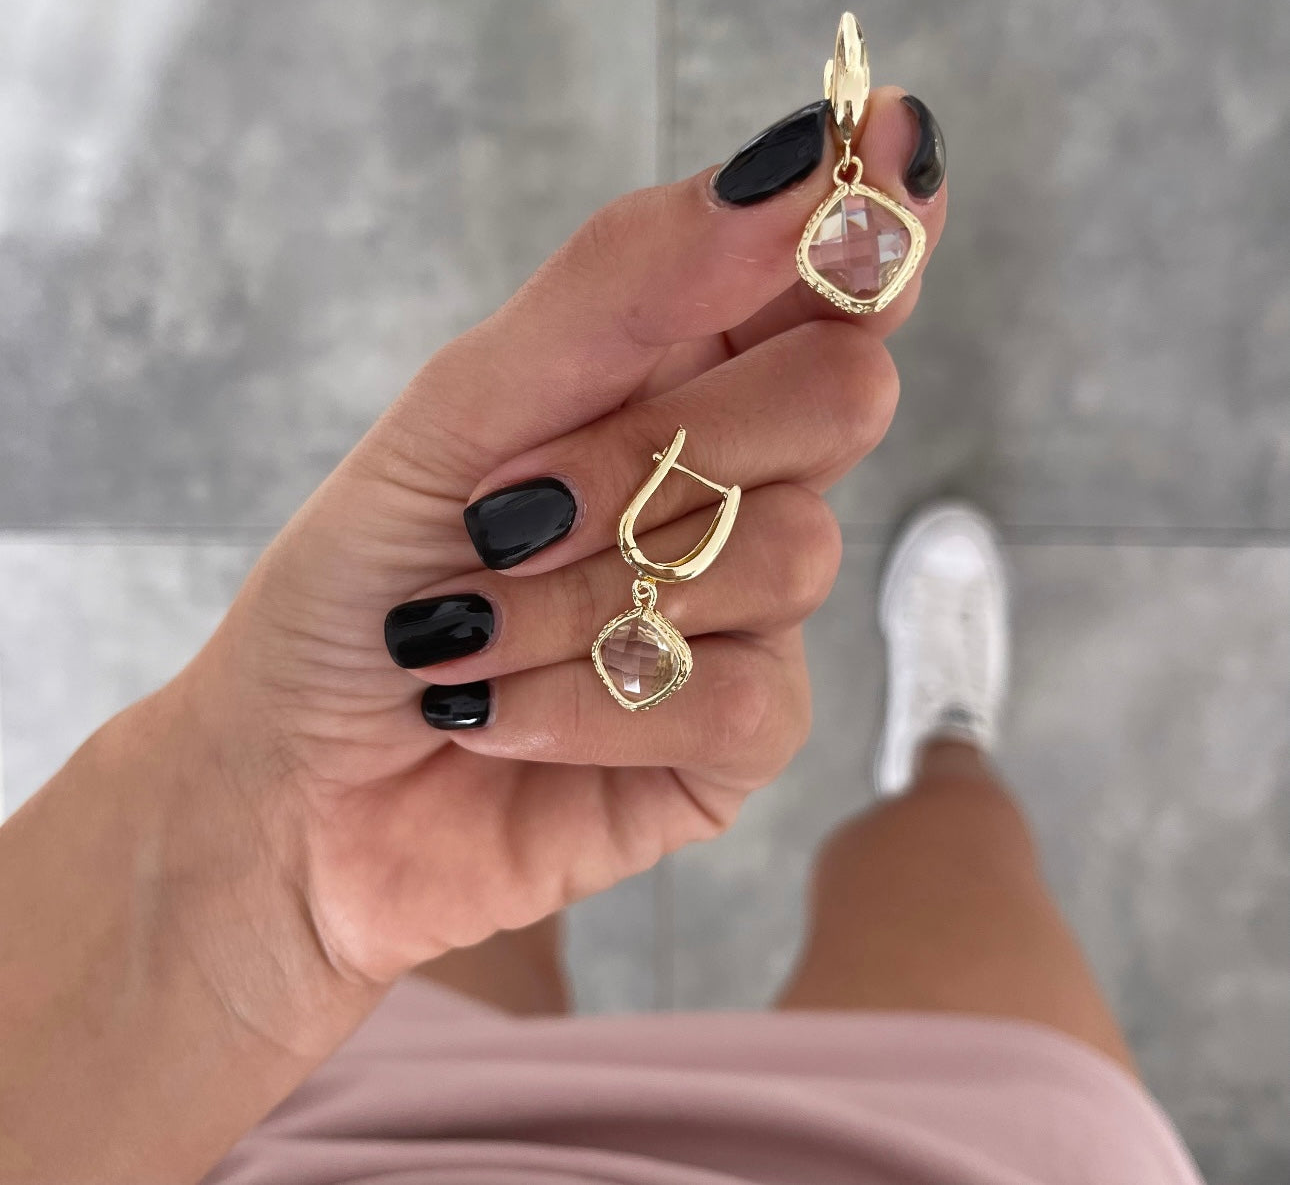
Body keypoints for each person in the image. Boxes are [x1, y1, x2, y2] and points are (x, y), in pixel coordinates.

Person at [0, 84, 1203, 1185]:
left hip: (322, 1105)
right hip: (938, 1160)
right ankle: (946, 741)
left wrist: (276, 854)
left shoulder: (334, 890)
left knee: (482, 790)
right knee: (949, 851)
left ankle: (912, 742)